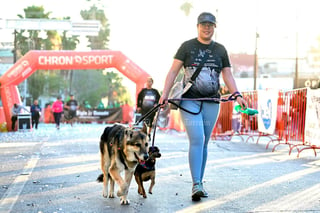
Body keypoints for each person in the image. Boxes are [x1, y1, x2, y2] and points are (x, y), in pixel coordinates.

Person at [159, 12, 247, 201]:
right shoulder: (187, 46)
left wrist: (237, 95)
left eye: (210, 25)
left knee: (205, 141)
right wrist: (164, 95)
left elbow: (227, 75)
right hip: (189, 101)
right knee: (197, 138)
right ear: (197, 26)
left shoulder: (220, 50)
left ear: (214, 27)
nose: (207, 28)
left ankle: (200, 181)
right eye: (203, 24)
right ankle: (196, 184)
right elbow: (173, 71)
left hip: (212, 101)